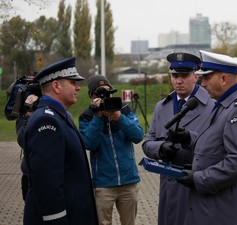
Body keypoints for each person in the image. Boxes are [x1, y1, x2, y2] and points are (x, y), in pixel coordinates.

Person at [177, 50, 237, 225]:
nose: (203, 84)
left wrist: (200, 178)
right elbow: (216, 144)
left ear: (223, 79)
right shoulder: (224, 105)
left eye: (207, 78)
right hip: (218, 203)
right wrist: (189, 139)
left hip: (227, 206)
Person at [23, 57, 98, 225]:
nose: (78, 87)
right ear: (56, 86)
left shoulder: (58, 117)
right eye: (73, 82)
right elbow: (47, 183)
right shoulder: (47, 121)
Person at [142, 52, 215, 225]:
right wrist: (161, 148)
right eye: (175, 75)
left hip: (196, 185)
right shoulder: (162, 106)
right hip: (168, 187)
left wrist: (190, 140)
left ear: (196, 76)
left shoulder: (211, 107)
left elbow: (216, 149)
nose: (179, 80)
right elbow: (147, 142)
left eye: (184, 75)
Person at [79, 75, 144, 225]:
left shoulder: (125, 110)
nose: (105, 97)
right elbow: (89, 143)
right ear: (92, 97)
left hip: (129, 181)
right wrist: (97, 118)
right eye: (100, 94)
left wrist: (119, 118)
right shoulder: (87, 116)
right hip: (103, 184)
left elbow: (138, 136)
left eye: (108, 93)